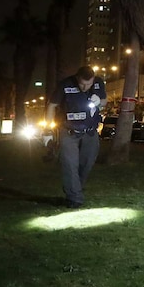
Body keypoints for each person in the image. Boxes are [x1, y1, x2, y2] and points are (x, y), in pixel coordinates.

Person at [46, 66, 107, 208]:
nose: (85, 87)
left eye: (88, 84)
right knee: (70, 165)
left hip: (90, 132)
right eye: (82, 83)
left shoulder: (98, 83)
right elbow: (51, 106)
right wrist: (47, 130)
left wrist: (99, 101)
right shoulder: (65, 84)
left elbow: (104, 100)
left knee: (87, 163)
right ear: (77, 77)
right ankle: (75, 198)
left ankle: (75, 187)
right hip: (68, 131)